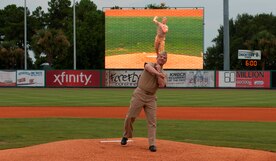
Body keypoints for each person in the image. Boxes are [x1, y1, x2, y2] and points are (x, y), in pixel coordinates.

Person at [121, 51, 168, 152]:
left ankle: (152, 144)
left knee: (152, 122)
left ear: (166, 61)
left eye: (164, 58)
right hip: (139, 94)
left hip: (151, 98)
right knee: (130, 116)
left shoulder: (164, 74)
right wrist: (157, 72)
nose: (162, 58)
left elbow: (161, 85)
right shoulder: (150, 64)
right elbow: (147, 68)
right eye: (161, 56)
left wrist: (159, 74)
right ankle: (126, 136)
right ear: (157, 57)